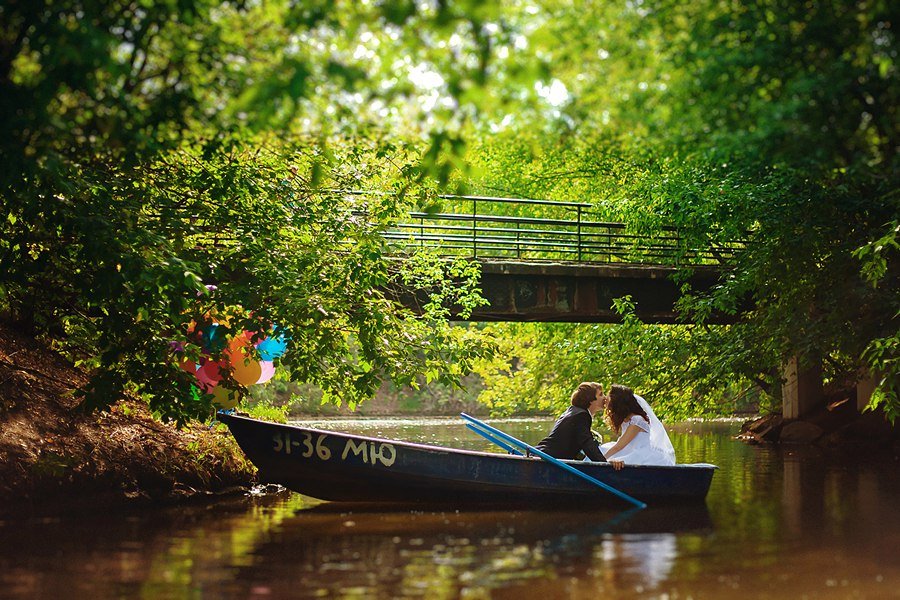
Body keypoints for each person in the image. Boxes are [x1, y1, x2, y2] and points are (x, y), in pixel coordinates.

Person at [600, 384, 676, 469]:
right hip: (629, 450)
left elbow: (619, 446)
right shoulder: (625, 419)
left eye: (609, 397)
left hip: (642, 454)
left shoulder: (637, 420)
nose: (606, 400)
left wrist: (600, 461)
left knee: (611, 457)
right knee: (602, 449)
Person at [535, 382, 607, 461]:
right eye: (601, 394)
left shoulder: (574, 410)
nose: (605, 397)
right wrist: (604, 464)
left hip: (544, 454)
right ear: (590, 399)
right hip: (547, 458)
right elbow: (587, 443)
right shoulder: (582, 415)